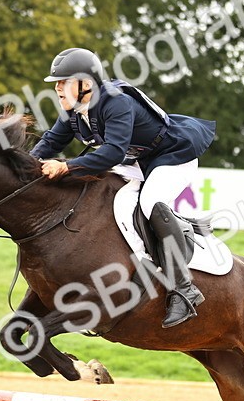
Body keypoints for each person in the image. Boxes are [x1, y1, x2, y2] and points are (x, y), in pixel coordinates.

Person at [31, 48, 217, 328]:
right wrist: (24, 169)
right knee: (100, 190)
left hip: (171, 155)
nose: (58, 88)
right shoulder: (74, 111)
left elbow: (113, 153)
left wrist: (67, 167)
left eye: (64, 81)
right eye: (57, 83)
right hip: (136, 160)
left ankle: (184, 289)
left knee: (150, 201)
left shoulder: (116, 103)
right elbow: (50, 143)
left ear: (86, 83)